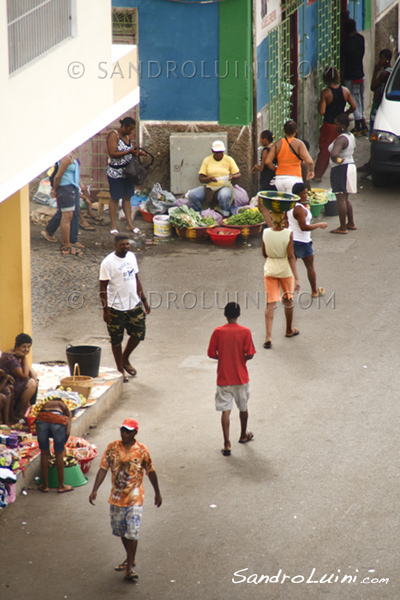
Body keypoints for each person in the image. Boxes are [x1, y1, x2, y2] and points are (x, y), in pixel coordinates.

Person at [89, 419, 162, 582]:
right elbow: (103, 468)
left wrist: (157, 492)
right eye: (122, 430)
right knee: (121, 531)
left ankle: (129, 566)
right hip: (116, 497)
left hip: (135, 497)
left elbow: (150, 471)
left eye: (128, 431)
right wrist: (95, 489)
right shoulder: (112, 448)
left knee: (133, 531)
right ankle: (130, 557)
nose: (124, 433)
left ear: (135, 433)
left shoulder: (142, 450)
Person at [99, 234, 150, 382]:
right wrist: (105, 310)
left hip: (134, 304)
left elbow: (136, 279)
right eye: (122, 244)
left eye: (127, 244)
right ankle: (120, 370)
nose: (126, 247)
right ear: (115, 245)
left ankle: (125, 358)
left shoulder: (132, 257)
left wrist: (144, 300)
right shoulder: (107, 263)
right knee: (116, 339)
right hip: (115, 308)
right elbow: (103, 287)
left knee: (139, 333)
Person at [207, 302, 256, 457]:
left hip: (223, 378)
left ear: (225, 315)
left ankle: (227, 443)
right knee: (243, 408)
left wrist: (222, 357)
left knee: (225, 411)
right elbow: (250, 354)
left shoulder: (218, 332)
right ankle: (243, 434)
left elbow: (211, 353)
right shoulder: (245, 332)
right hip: (241, 377)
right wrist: (241, 359)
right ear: (239, 314)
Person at [261, 210, 300, 348]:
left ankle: (268, 336)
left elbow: (264, 253)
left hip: (270, 268)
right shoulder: (288, 233)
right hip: (285, 270)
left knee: (270, 304)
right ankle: (289, 330)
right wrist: (296, 278)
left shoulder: (265, 232)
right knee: (288, 300)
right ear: (283, 218)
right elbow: (291, 256)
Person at [314, 67, 356, 181]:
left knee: (325, 151)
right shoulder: (345, 91)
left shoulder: (326, 93)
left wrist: (320, 103)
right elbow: (354, 107)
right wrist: (345, 115)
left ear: (325, 78)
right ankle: (342, 171)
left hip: (330, 125)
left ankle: (317, 175)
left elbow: (322, 111)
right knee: (342, 148)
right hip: (341, 124)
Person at [287, 183, 328, 297]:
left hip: (291, 240)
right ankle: (314, 291)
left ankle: (288, 292)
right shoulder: (299, 209)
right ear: (298, 194)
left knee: (291, 268)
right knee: (310, 267)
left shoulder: (291, 206)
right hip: (303, 242)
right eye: (304, 193)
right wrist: (319, 225)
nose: (306, 195)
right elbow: (304, 227)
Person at [41, 151, 84, 256]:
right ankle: (66, 245)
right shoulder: (66, 158)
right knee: (66, 217)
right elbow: (57, 177)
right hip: (65, 189)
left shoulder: (72, 157)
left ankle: (67, 243)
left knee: (68, 216)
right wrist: (55, 190)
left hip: (70, 188)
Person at [106, 116, 141, 235]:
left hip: (127, 173)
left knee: (127, 198)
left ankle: (130, 225)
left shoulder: (127, 137)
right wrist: (129, 152)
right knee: (115, 198)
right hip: (115, 173)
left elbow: (128, 152)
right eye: (129, 129)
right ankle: (113, 225)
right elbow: (112, 153)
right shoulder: (113, 135)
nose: (131, 132)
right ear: (124, 126)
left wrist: (137, 153)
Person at [188, 141, 241, 217]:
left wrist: (232, 176)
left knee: (224, 195)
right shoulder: (207, 160)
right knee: (192, 195)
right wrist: (210, 179)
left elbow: (238, 174)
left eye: (221, 152)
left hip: (224, 186)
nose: (219, 154)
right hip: (210, 188)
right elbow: (201, 178)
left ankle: (224, 215)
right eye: (217, 152)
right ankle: (199, 214)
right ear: (212, 151)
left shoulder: (229, 160)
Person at [35, 398, 73, 494]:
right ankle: (61, 486)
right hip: (57, 421)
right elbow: (68, 431)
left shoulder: (46, 404)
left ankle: (45, 486)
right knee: (58, 454)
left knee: (44, 453)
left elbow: (39, 418)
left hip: (42, 420)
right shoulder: (63, 405)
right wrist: (62, 443)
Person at [265, 120, 314, 192]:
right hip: (294, 179)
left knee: (282, 202)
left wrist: (276, 169)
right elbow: (310, 162)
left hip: (279, 180)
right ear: (296, 131)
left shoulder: (277, 143)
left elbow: (268, 161)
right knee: (293, 202)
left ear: (284, 131)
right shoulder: (299, 144)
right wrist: (311, 171)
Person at [328, 113, 357, 234]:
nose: (335, 126)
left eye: (336, 124)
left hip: (341, 169)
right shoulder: (350, 136)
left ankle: (342, 227)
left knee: (340, 198)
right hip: (350, 166)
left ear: (342, 125)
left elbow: (334, 154)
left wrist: (336, 160)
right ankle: (351, 223)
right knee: (346, 198)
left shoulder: (340, 139)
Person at [0, 333, 38, 420]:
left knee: (34, 378)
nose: (26, 349)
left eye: (28, 347)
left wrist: (33, 375)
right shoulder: (11, 358)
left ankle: (27, 410)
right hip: (8, 383)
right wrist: (24, 358)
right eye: (24, 347)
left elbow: (27, 369)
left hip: (14, 381)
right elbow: (23, 376)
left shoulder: (16, 354)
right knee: (31, 383)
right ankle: (20, 412)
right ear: (16, 346)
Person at [341, 19, 367, 136]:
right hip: (360, 73)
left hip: (351, 76)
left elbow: (343, 62)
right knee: (360, 98)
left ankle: (358, 125)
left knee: (354, 100)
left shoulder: (346, 44)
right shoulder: (360, 39)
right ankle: (363, 124)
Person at [370, 49, 393, 136]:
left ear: (387, 59)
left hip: (380, 101)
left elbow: (373, 86)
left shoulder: (385, 73)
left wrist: (375, 71)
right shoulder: (390, 71)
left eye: (381, 58)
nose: (379, 60)